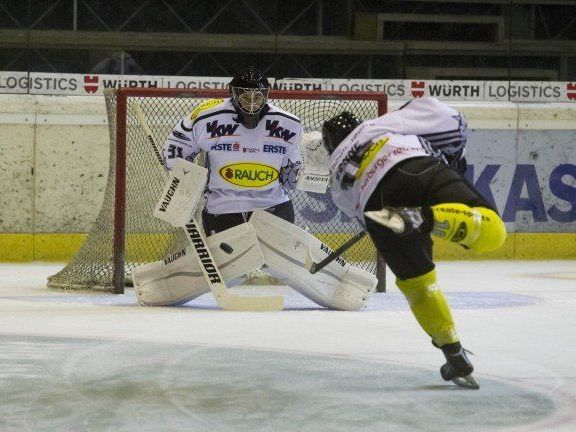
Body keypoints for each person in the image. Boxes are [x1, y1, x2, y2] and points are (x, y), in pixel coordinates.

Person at [321, 97, 507, 389]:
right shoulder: (381, 124)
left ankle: (454, 354)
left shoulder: (335, 176)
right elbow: (451, 121)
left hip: (375, 207)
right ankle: (425, 218)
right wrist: (455, 159)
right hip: (412, 164)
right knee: (492, 231)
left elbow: (372, 223)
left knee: (418, 285)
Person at [163, 66, 302, 235]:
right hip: (222, 207)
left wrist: (306, 171)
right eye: (245, 97)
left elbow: (292, 177)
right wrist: (180, 177)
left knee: (275, 262)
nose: (251, 104)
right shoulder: (207, 116)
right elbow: (177, 144)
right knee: (229, 263)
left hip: (274, 205)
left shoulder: (288, 123)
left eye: (257, 97)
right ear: (233, 93)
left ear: (265, 95)